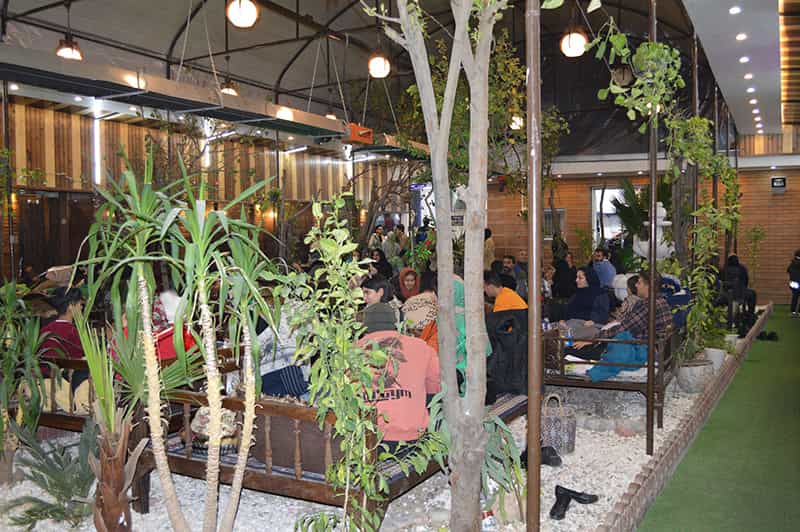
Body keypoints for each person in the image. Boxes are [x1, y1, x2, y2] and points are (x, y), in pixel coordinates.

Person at [358, 326, 441, 447]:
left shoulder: (349, 352)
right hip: (411, 439)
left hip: (364, 440)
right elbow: (435, 386)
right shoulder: (421, 347)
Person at [582, 270, 672, 382]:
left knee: (581, 350)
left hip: (642, 350)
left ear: (648, 286)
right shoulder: (661, 301)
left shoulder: (648, 305)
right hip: (653, 347)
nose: (636, 285)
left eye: (639, 283)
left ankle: (586, 371)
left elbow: (624, 328)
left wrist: (594, 339)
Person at [788, 250, 800, 316]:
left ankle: (793, 311)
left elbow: (788, 270)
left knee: (795, 296)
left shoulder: (793, 262)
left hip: (794, 282)